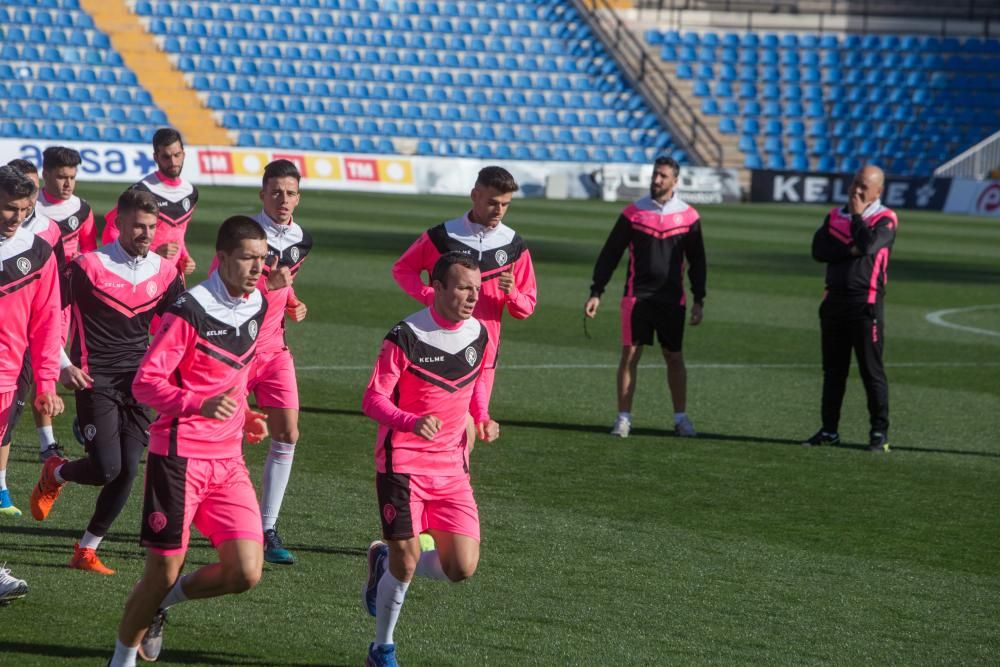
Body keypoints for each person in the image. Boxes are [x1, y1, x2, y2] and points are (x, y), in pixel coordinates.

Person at [105, 216, 269, 667]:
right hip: (179, 459)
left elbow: (238, 373)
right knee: (161, 571)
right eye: (248, 259)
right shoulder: (189, 311)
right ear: (222, 259)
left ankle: (162, 606)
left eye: (262, 258)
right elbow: (145, 384)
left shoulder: (257, 304)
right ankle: (121, 659)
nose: (258, 268)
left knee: (245, 572)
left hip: (229, 462)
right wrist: (199, 403)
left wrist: (246, 411)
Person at [29, 189, 185, 575]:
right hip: (93, 377)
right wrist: (63, 364)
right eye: (139, 226)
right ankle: (57, 472)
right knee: (106, 468)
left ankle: (86, 549)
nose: (147, 234)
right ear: (119, 225)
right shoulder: (87, 267)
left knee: (129, 469)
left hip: (140, 381)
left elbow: (180, 328)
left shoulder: (165, 273)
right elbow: (47, 313)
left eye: (152, 227)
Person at [360, 252, 500, 667]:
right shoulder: (406, 335)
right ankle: (381, 649)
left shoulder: (478, 332)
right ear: (436, 288)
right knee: (406, 561)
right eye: (462, 287)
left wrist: (484, 417)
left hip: (451, 469)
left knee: (462, 567)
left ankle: (382, 559)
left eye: (476, 288)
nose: (472, 296)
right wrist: (409, 421)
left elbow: (477, 382)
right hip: (402, 463)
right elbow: (372, 399)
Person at [391, 166, 536, 415]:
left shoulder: (513, 245)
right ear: (474, 195)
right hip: (437, 345)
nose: (499, 210)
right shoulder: (442, 236)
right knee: (433, 423)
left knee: (472, 426)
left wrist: (512, 294)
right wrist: (429, 295)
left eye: (505, 204)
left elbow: (527, 306)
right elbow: (403, 269)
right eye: (493, 202)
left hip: (482, 352)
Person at [584, 156, 706, 438]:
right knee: (629, 355)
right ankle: (623, 418)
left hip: (673, 299)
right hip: (636, 298)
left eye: (663, 176)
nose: (656, 180)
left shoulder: (689, 217)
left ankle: (680, 418)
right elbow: (610, 253)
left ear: (675, 181)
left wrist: (699, 299)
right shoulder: (633, 213)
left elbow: (698, 261)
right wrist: (596, 291)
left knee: (674, 357)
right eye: (654, 174)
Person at [244, 159, 312, 565]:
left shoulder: (303, 239)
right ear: (262, 195)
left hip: (274, 350)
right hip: (235, 348)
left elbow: (285, 281)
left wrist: (292, 301)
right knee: (216, 434)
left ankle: (266, 527)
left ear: (298, 197)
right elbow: (224, 289)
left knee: (287, 433)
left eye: (289, 193)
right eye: (275, 192)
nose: (282, 199)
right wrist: (268, 287)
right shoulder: (245, 235)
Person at [806, 165, 897, 453]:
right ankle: (829, 430)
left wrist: (857, 217)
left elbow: (869, 245)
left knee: (872, 371)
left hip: (865, 304)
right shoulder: (834, 215)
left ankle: (879, 432)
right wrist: (849, 252)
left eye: (864, 187)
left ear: (878, 191)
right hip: (833, 302)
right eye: (855, 184)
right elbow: (819, 251)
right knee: (833, 372)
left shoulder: (885, 218)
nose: (857, 191)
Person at [0, 165, 64, 518]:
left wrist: (47, 384)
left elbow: (47, 324)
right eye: (10, 207)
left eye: (25, 210)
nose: (18, 217)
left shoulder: (39, 252)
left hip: (7, 379)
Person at [102, 128, 198, 277]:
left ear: (183, 154)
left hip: (174, 278)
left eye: (177, 155)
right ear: (156, 157)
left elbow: (178, 234)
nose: (173, 162)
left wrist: (184, 257)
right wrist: (150, 253)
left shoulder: (191, 193)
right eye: (166, 157)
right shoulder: (140, 191)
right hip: (140, 275)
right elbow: (111, 232)